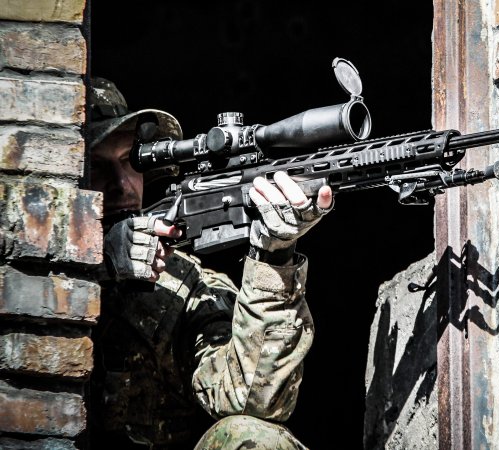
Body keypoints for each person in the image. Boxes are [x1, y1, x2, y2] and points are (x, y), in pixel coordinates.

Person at [88, 77, 330, 449]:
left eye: (129, 161)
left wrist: (274, 255)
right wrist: (97, 264)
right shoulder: (24, 273)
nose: (123, 185)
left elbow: (252, 400)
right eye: (97, 166)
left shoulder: (187, 284)